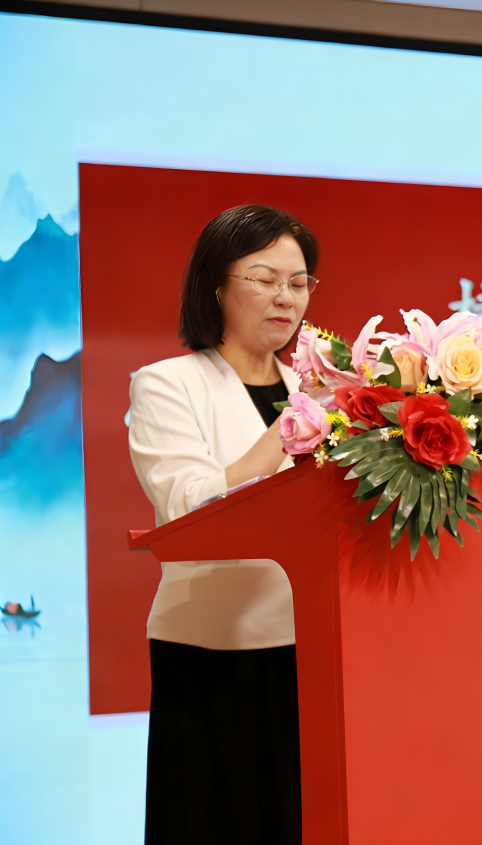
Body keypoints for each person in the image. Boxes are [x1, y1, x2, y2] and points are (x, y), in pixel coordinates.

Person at [128, 204, 319, 844]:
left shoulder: (319, 388)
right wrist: (293, 427)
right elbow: (188, 504)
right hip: (211, 650)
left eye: (298, 283)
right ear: (216, 285)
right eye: (264, 279)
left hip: (313, 649)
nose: (285, 297)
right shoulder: (167, 384)